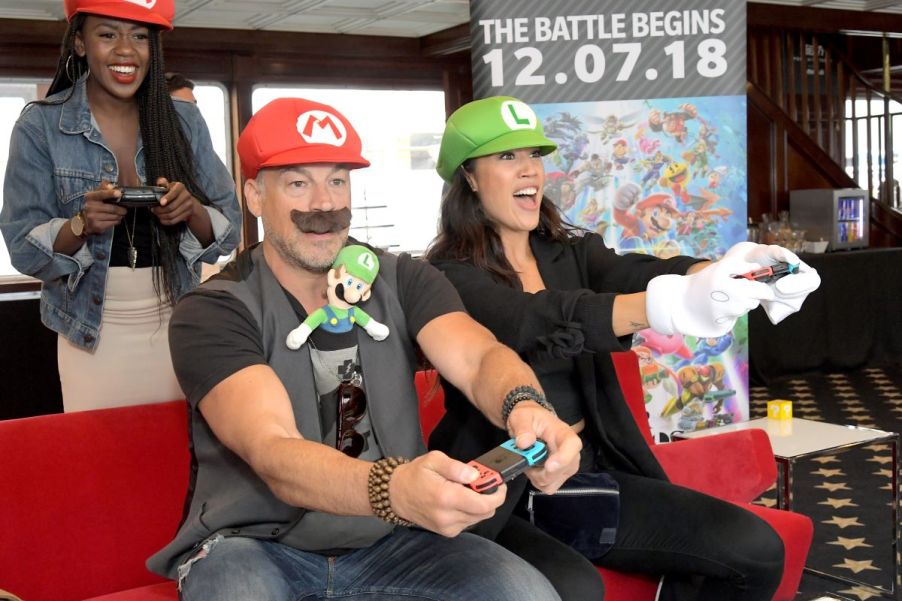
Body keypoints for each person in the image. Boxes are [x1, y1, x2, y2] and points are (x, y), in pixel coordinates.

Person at [146, 96, 584, 601]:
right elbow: (273, 450)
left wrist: (526, 406)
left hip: (394, 542)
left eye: (337, 180)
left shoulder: (405, 278)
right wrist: (397, 489)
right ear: (254, 196)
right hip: (254, 544)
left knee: (528, 595)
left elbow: (478, 356)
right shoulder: (215, 309)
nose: (324, 204)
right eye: (297, 183)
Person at [425, 96, 822, 601]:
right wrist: (666, 305)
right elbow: (534, 319)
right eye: (506, 157)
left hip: (588, 471)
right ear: (469, 178)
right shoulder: (445, 276)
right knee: (575, 587)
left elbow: (639, 271)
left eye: (534, 155)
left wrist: (731, 270)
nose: (529, 169)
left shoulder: (571, 250)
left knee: (757, 550)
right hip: (507, 490)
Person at [0, 0, 241, 411]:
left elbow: (229, 232)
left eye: (140, 37)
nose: (126, 50)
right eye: (107, 34)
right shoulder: (39, 125)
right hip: (89, 333)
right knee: (100, 462)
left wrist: (192, 212)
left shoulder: (184, 120)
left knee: (183, 461)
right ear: (79, 43)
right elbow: (23, 248)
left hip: (179, 322)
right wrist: (80, 225)